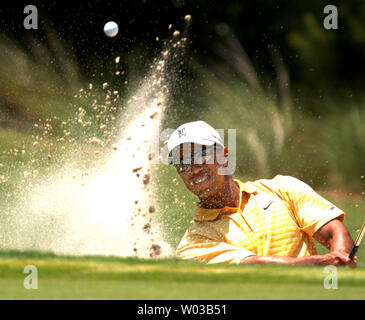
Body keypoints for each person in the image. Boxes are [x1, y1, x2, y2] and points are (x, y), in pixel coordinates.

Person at [167, 120, 356, 266]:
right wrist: (326, 262)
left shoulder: (283, 188)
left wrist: (339, 259)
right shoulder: (193, 244)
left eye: (202, 155)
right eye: (184, 164)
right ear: (179, 173)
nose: (194, 169)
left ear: (224, 156)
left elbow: (334, 231)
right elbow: (257, 267)